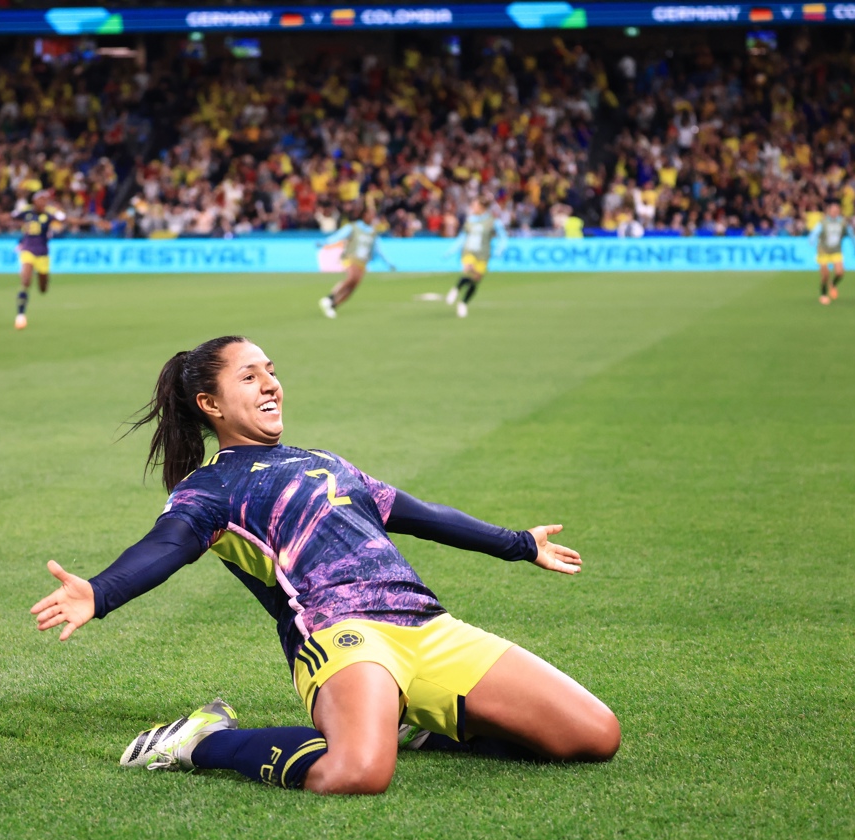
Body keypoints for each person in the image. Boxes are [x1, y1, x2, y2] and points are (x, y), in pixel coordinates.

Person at [31, 336, 619, 795]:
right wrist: (99, 593)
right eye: (250, 375)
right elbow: (167, 545)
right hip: (340, 637)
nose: (271, 383)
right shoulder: (209, 489)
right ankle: (201, 740)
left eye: (272, 371)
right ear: (210, 404)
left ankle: (406, 723)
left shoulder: (323, 460)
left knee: (594, 737)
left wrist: (520, 543)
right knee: (357, 772)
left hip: (427, 625)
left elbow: (420, 513)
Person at [317, 206, 395, 319]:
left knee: (352, 288)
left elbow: (378, 250)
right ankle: (329, 298)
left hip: (362, 262)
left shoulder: (373, 232)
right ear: (364, 215)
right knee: (351, 278)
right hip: (350, 257)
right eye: (370, 214)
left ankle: (332, 306)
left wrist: (388, 263)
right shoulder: (353, 227)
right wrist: (325, 242)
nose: (372, 217)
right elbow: (339, 236)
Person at [445, 198, 508, 318]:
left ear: (481, 207)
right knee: (468, 268)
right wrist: (452, 250)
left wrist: (500, 249)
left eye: (474, 205)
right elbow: (462, 237)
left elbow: (503, 236)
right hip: (469, 251)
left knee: (476, 279)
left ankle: (463, 303)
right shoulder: (470, 220)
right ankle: (456, 289)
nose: (472, 208)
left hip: (483, 254)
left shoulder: (492, 221)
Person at [14, 191, 66, 329]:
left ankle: (40, 277)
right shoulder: (26, 213)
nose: (43, 203)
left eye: (45, 200)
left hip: (43, 254)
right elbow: (9, 217)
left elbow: (64, 219)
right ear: (34, 201)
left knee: (43, 289)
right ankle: (20, 315)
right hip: (28, 250)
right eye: (41, 200)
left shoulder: (49, 214)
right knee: (25, 281)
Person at [807, 201, 855, 305]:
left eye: (837, 210)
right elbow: (815, 233)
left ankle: (833, 284)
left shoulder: (842, 222)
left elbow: (851, 233)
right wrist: (811, 241)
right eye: (833, 210)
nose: (835, 212)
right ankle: (823, 294)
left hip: (836, 251)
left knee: (840, 273)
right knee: (825, 275)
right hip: (823, 251)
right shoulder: (823, 222)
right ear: (829, 211)